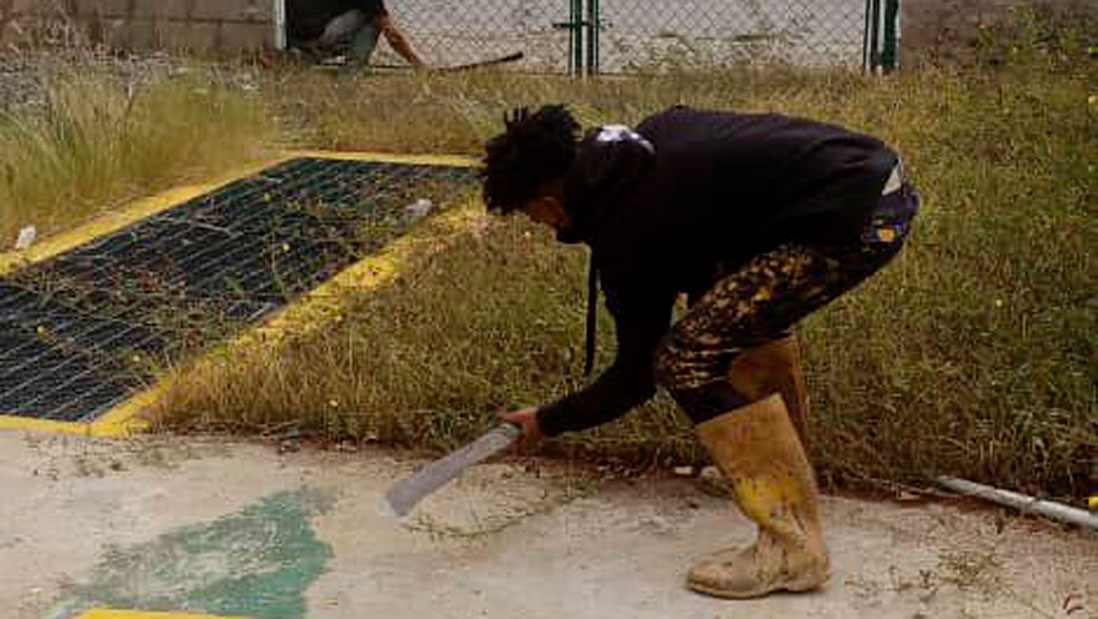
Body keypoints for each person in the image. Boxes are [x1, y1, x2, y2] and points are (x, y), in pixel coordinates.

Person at [482, 104, 919, 599]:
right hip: (873, 179)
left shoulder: (629, 225)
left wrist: (548, 420)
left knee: (685, 357)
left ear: (549, 202)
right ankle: (790, 475)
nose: (540, 225)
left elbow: (637, 375)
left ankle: (791, 546)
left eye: (530, 214)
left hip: (859, 219)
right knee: (722, 318)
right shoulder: (634, 154)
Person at [286, 0, 426, 69]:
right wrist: (419, 64)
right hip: (315, 34)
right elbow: (392, 35)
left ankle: (301, 55)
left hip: (288, 33)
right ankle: (350, 75)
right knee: (373, 21)